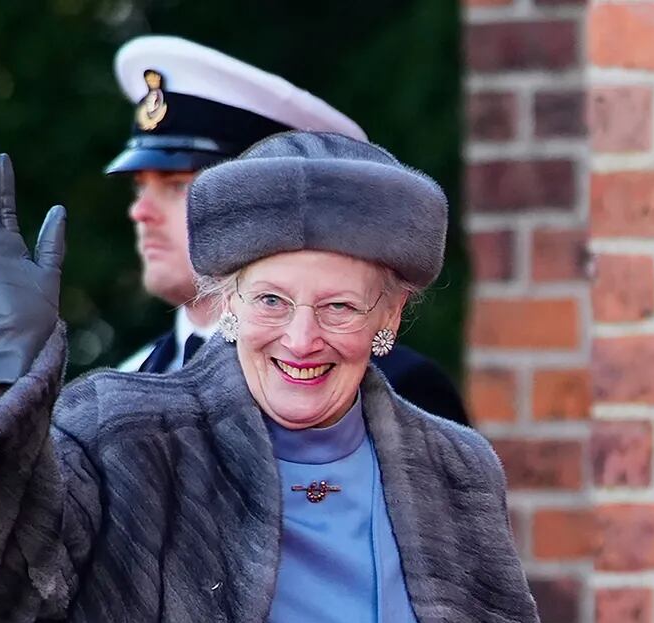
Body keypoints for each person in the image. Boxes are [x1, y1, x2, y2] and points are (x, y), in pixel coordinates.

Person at [0, 134, 539, 623]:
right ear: (228, 304)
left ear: (387, 316)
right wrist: (5, 360)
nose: (302, 340)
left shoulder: (458, 469)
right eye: (271, 300)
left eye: (340, 307)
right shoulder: (125, 437)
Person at [106, 36, 470, 425]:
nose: (141, 211)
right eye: (141, 186)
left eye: (179, 186)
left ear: (275, 206)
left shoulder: (393, 392)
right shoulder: (126, 382)